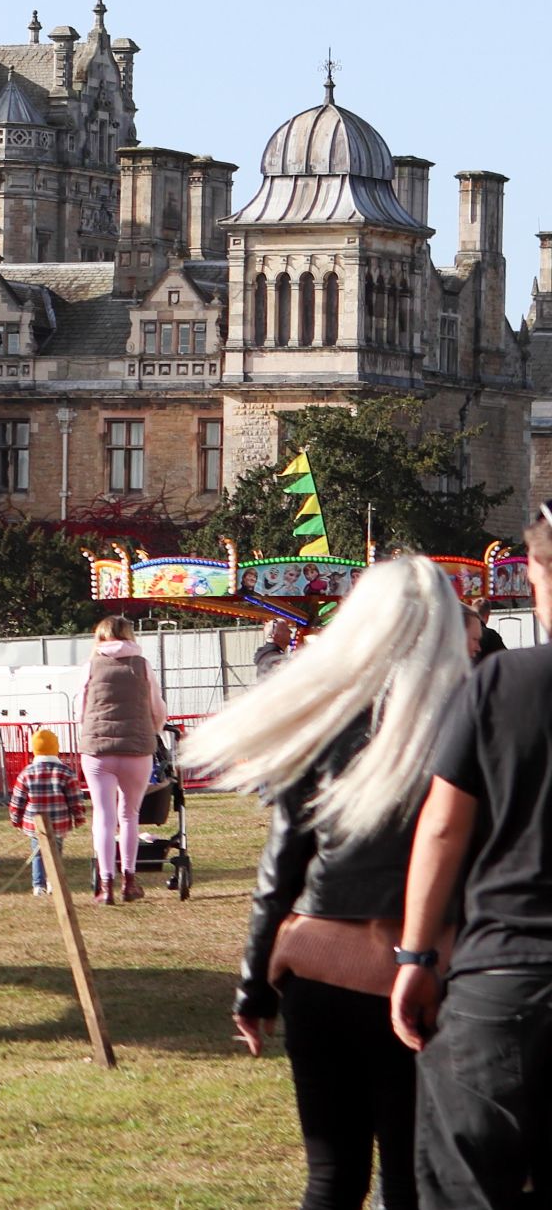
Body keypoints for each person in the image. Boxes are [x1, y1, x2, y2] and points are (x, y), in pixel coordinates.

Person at [183, 556, 470, 1210]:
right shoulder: (467, 714)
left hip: (317, 970)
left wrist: (255, 985)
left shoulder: (325, 717)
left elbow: (280, 864)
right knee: (412, 1178)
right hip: (422, 970)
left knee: (332, 1175)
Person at [394, 510, 552, 1208]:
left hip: (504, 978)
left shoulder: (497, 684)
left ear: (538, 572)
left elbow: (442, 829)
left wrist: (414, 956)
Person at [74, 614, 168, 903]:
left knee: (104, 817)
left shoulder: (90, 666)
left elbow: (81, 707)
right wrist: (154, 730)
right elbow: (157, 708)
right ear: (129, 634)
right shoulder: (142, 665)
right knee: (130, 816)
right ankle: (129, 880)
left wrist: (90, 729)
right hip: (137, 748)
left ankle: (106, 885)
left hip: (98, 749)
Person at [9, 727, 85, 896]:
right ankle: (53, 882)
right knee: (56, 853)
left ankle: (38, 885)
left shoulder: (26, 773)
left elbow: (18, 799)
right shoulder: (65, 772)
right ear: (56, 748)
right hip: (59, 822)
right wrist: (79, 816)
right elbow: (75, 798)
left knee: (38, 853)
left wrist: (15, 818)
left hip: (35, 824)